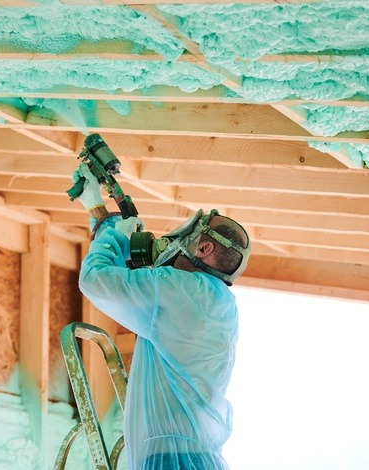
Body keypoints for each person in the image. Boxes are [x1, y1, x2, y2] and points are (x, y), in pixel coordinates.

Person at [72, 163, 251, 469]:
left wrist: (112, 233)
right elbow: (141, 290)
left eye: (191, 234)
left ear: (205, 247)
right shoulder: (217, 301)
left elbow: (95, 279)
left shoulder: (177, 289)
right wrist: (99, 210)